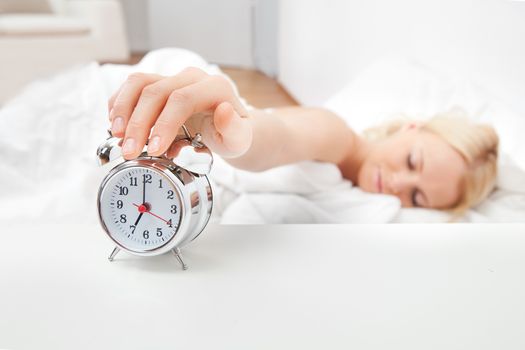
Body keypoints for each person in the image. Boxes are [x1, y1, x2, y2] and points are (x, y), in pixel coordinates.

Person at [107, 67, 498, 216]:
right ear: (411, 128)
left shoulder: (355, 189)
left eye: (417, 198)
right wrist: (240, 137)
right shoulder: (338, 135)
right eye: (413, 163)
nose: (399, 184)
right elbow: (281, 140)